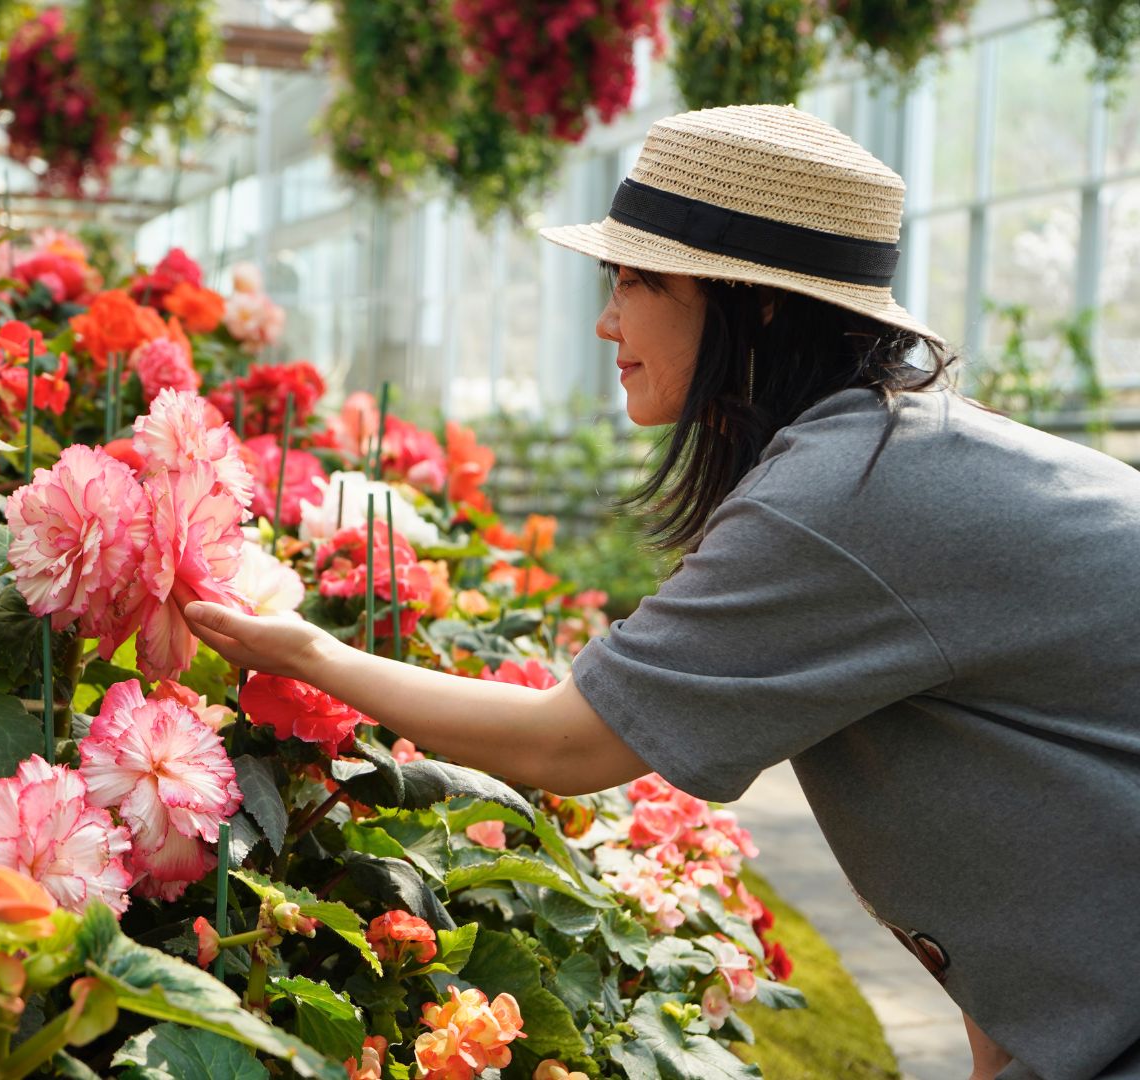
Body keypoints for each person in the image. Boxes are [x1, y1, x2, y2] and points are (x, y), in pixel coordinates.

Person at [183, 105, 1140, 1080]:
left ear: (756, 304)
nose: (608, 319)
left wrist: (310, 654)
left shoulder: (847, 491)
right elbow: (1012, 833)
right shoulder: (891, 454)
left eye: (640, 281)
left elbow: (568, 741)